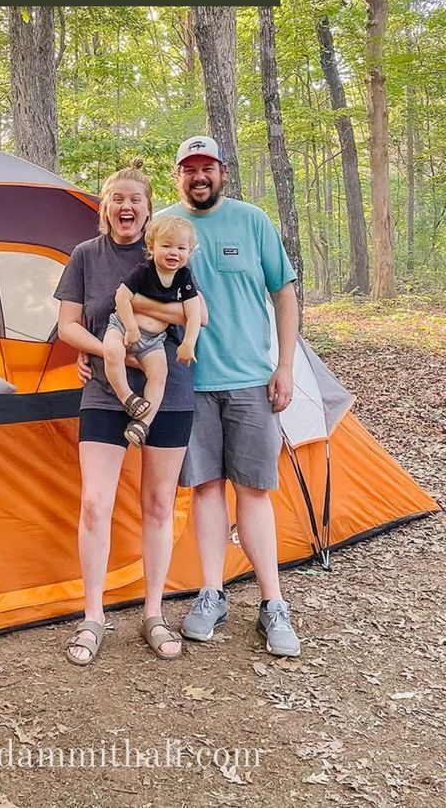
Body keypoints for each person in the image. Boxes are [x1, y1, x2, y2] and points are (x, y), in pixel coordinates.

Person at [159, 135, 302, 658]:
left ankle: (272, 603)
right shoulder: (164, 226)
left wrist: (284, 365)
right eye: (189, 168)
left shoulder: (253, 221)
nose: (199, 176)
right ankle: (212, 593)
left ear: (222, 171)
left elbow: (283, 294)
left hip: (250, 382)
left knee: (255, 491)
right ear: (178, 175)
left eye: (207, 167)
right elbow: (133, 291)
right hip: (188, 385)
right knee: (204, 490)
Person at [54, 158, 196, 666]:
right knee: (95, 503)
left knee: (158, 505)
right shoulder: (85, 256)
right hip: (104, 394)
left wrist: (137, 328)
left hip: (170, 391)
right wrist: (105, 348)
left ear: (148, 207)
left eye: (136, 199)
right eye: (117, 198)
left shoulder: (168, 254)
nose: (126, 207)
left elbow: (192, 312)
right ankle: (93, 616)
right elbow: (67, 323)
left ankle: (152, 612)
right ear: (104, 207)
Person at [102, 215, 207, 446]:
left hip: (154, 340)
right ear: (152, 247)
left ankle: (142, 424)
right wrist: (130, 328)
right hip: (122, 327)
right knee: (111, 351)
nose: (173, 253)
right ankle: (126, 396)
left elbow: (195, 313)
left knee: (159, 375)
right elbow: (121, 296)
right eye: (166, 246)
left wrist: (188, 343)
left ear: (190, 251)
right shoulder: (144, 271)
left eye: (181, 248)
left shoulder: (184, 277)